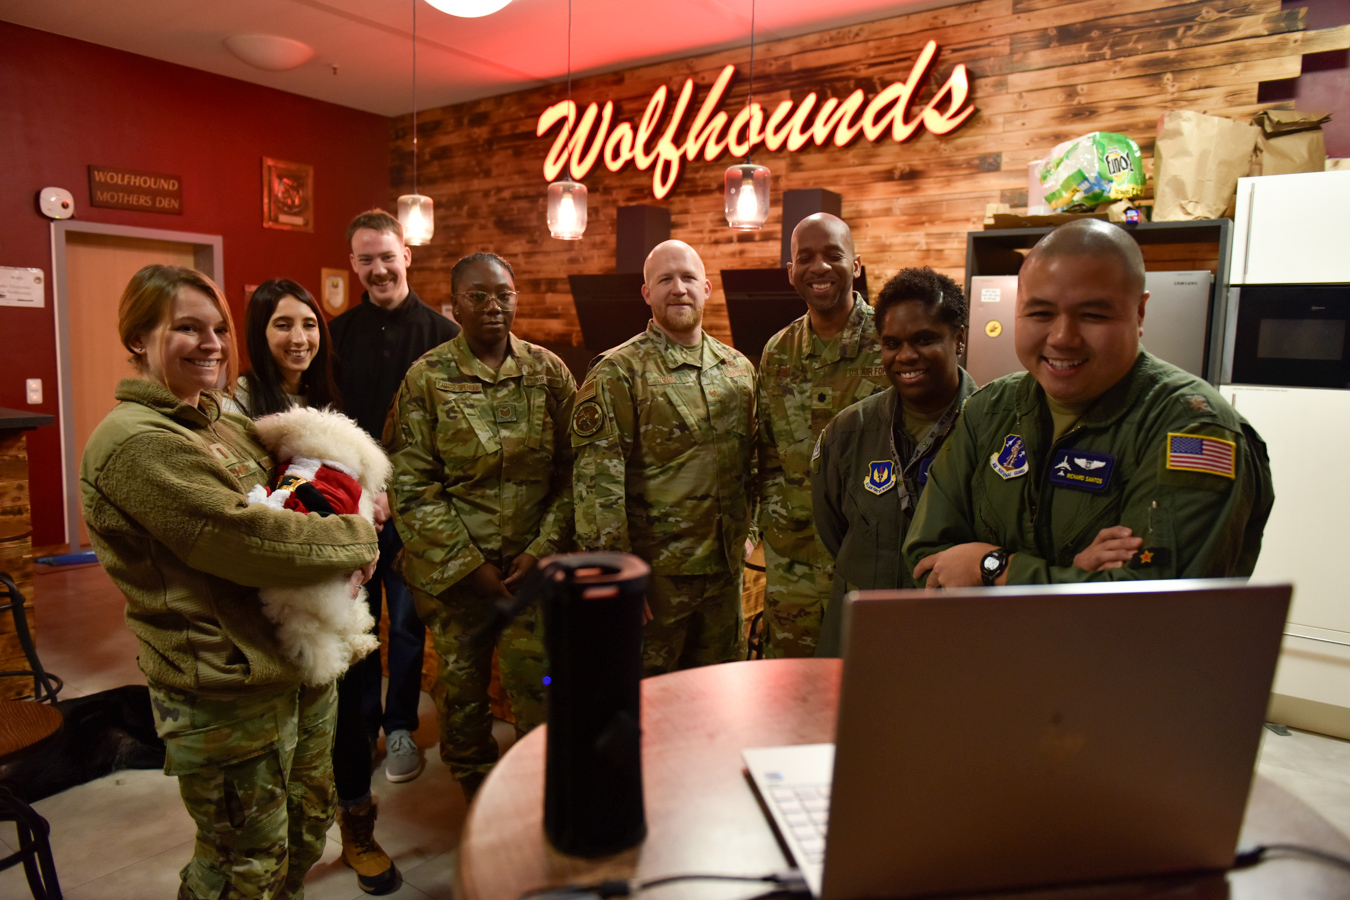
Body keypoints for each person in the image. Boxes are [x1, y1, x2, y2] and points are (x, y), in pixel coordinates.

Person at [79, 265, 378, 900]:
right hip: (225, 688)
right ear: (138, 339)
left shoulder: (222, 421)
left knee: (302, 830)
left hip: (289, 666)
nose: (211, 343)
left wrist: (348, 506)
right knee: (243, 864)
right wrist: (357, 540)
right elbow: (247, 543)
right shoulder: (136, 441)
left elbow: (295, 497)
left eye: (217, 328)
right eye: (186, 328)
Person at [903, 219, 1274, 587]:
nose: (1063, 338)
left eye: (1093, 315)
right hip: (989, 646)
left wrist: (996, 567)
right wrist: (1076, 577)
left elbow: (1156, 608)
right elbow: (927, 562)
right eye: (1041, 313)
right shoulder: (989, 409)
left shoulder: (1193, 430)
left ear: (1139, 313)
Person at [229, 279, 400, 894]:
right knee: (287, 720)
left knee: (352, 705)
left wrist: (373, 495)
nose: (299, 337)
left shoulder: (333, 397)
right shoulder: (239, 407)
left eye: (308, 324)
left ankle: (356, 823)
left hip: (344, 578)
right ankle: (280, 844)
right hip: (276, 588)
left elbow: (359, 471)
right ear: (258, 332)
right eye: (282, 325)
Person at [385, 252, 576, 798]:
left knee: (540, 690)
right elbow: (412, 484)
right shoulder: (426, 378)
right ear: (455, 305)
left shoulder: (548, 372)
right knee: (461, 701)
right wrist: (468, 566)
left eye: (504, 294)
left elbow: (573, 473)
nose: (494, 306)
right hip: (456, 584)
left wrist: (542, 550)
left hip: (531, 579)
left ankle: (539, 800)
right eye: (479, 295)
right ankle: (474, 796)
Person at [572, 239, 757, 676]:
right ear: (646, 293)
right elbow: (596, 486)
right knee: (647, 709)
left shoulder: (738, 369)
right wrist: (616, 576)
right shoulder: (618, 371)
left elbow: (757, 460)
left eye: (689, 278)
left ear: (707, 288)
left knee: (719, 702)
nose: (679, 289)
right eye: (665, 279)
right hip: (654, 585)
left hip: (724, 577)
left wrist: (750, 529)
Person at [328, 208, 460, 784]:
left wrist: (400, 494)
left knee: (407, 625)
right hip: (350, 509)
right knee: (356, 623)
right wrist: (360, 492)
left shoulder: (444, 336)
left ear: (407, 255)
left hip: (418, 511)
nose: (379, 269)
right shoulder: (333, 336)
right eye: (366, 259)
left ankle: (400, 724)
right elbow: (327, 426)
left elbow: (450, 435)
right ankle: (362, 725)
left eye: (388, 256)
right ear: (353, 264)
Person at [811, 267, 976, 656]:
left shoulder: (996, 432)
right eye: (891, 343)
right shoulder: (848, 433)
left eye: (924, 339)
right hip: (860, 641)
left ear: (959, 340)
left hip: (954, 644)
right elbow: (834, 531)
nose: (905, 356)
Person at [756, 213, 887, 658]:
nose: (820, 267)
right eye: (805, 258)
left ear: (856, 266)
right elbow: (769, 454)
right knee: (791, 688)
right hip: (794, 566)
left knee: (873, 688)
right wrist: (773, 530)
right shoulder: (778, 352)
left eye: (833, 255)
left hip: (873, 556)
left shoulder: (890, 341)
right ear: (790, 271)